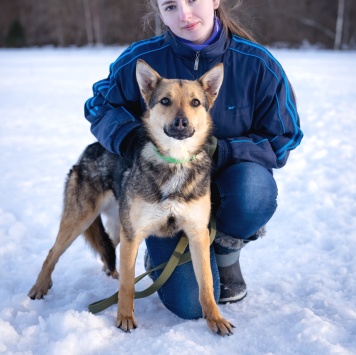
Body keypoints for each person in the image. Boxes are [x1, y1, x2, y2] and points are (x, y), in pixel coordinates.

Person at [84, 0, 303, 320]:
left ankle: (226, 251)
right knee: (189, 306)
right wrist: (130, 138)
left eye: (192, 0)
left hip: (230, 183)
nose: (184, 15)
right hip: (162, 191)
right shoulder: (142, 60)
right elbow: (98, 107)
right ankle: (164, 253)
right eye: (170, 6)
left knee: (254, 190)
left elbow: (284, 136)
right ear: (158, 11)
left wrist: (225, 150)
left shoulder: (256, 64)